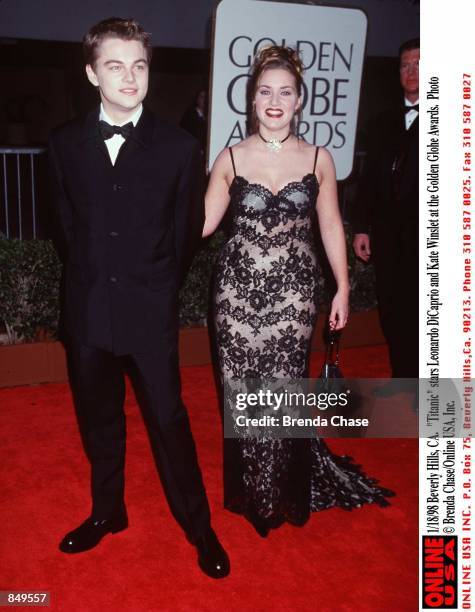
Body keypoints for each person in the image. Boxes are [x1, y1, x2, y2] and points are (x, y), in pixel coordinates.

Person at [48, 18, 229, 579]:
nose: (129, 77)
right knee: (99, 421)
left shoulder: (179, 147)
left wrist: (154, 291)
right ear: (91, 72)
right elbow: (64, 229)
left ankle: (199, 527)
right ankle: (108, 513)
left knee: (170, 422)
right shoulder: (62, 143)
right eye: (115, 65)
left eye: (139, 65)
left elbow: (184, 236)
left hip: (150, 313)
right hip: (87, 313)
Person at [203, 45, 394, 536]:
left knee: (283, 387)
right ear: (251, 99)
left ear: (299, 100)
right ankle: (254, 489)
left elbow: (331, 224)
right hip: (236, 293)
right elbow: (202, 224)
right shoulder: (229, 157)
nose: (274, 100)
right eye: (265, 91)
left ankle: (280, 492)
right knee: (241, 390)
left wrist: (343, 287)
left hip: (293, 292)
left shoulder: (317, 157)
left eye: (285, 92)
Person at [352, 39, 419, 379]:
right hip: (388, 236)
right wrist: (362, 226)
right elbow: (367, 181)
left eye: (419, 64)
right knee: (392, 310)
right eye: (405, 65)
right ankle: (404, 379)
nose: (411, 71)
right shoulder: (382, 122)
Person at [180, 88, 207, 154]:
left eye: (205, 97)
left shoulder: (208, 115)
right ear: (197, 99)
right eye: (201, 97)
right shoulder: (190, 115)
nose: (204, 100)